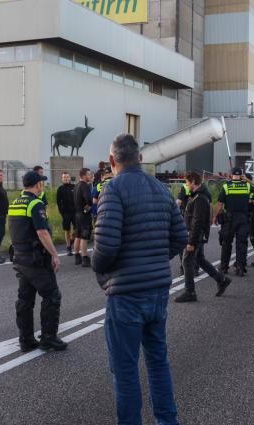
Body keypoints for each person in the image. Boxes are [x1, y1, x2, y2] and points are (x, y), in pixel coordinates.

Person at [93, 134, 187, 425]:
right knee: (158, 361)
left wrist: (101, 272)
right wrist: (158, 260)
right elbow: (180, 237)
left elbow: (105, 247)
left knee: (125, 370)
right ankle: (167, 421)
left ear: (112, 161)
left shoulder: (113, 189)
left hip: (126, 294)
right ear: (141, 158)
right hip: (157, 290)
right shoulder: (161, 190)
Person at [8, 171, 66, 352]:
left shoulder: (15, 203)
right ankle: (49, 338)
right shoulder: (35, 203)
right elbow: (42, 232)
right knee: (52, 296)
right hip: (36, 259)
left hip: (19, 258)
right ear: (37, 185)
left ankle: (26, 339)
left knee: (25, 299)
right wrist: (55, 254)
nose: (43, 186)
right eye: (42, 183)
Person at [174, 171, 232, 303]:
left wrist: (191, 241)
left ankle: (190, 292)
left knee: (187, 261)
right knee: (199, 260)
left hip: (195, 235)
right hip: (197, 234)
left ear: (194, 182)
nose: (187, 185)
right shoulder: (200, 196)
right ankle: (222, 280)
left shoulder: (199, 198)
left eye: (187, 183)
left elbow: (197, 221)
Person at [214, 167, 252, 277]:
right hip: (243, 218)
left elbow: (220, 205)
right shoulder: (247, 186)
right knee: (241, 244)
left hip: (230, 219)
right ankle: (240, 268)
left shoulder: (226, 186)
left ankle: (224, 267)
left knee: (226, 243)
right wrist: (247, 180)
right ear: (241, 175)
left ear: (231, 175)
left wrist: (215, 216)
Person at [73, 167, 94, 267]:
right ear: (84, 175)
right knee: (84, 236)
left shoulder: (76, 185)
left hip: (77, 214)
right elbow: (88, 200)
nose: (90, 176)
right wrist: (89, 205)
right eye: (89, 174)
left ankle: (77, 256)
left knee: (78, 235)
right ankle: (85, 258)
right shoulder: (85, 186)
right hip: (84, 214)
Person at [56, 171, 76, 256]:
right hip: (66, 213)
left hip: (75, 212)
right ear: (62, 179)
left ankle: (72, 240)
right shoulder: (60, 189)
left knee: (77, 229)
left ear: (70, 178)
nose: (66, 178)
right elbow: (58, 202)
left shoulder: (74, 187)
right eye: (64, 177)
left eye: (67, 177)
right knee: (67, 230)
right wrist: (62, 212)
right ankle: (68, 247)